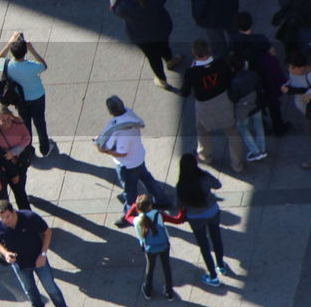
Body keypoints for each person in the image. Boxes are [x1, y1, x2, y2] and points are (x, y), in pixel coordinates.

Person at [0, 201, 81, 307]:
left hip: (38, 259)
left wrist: (43, 254)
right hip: (19, 264)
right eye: (2, 218)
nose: (5, 221)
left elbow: (47, 232)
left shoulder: (29, 217)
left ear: (13, 212)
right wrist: (5, 254)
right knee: (29, 289)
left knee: (51, 287)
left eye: (7, 216)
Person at [95, 96, 165, 226]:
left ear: (111, 112)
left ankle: (130, 213)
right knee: (147, 178)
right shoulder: (129, 114)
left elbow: (121, 152)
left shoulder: (119, 130)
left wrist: (104, 150)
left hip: (127, 165)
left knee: (130, 191)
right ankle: (161, 199)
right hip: (138, 156)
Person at [179, 39, 245, 173]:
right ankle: (237, 165)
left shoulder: (191, 72)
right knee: (233, 133)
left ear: (194, 53)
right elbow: (230, 76)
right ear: (209, 51)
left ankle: (206, 156)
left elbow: (184, 93)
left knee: (202, 130)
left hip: (204, 106)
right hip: (223, 101)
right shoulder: (221, 63)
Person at [172, 153, 231, 286]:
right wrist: (203, 172)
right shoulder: (204, 177)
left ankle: (213, 276)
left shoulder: (181, 186)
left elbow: (177, 205)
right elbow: (218, 184)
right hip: (212, 212)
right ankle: (221, 265)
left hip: (195, 218)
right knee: (216, 238)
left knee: (204, 246)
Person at [111, 0, 182, 87]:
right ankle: (170, 60)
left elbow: (115, 8)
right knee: (164, 46)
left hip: (141, 38)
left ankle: (162, 81)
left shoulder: (126, 7)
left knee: (153, 58)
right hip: (161, 30)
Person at [0, 30, 53, 156]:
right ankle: (45, 148)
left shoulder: (7, 65)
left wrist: (9, 43)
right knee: (40, 122)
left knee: (25, 124)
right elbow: (44, 65)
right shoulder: (31, 66)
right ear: (25, 51)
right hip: (37, 97)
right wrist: (32, 49)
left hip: (20, 100)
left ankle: (28, 149)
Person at [125, 194, 175, 300]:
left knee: (150, 268)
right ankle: (169, 292)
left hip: (149, 247)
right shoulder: (159, 214)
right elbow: (177, 220)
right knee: (166, 267)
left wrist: (134, 205)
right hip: (164, 245)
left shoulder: (137, 220)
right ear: (151, 205)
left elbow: (127, 217)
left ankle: (148, 291)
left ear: (139, 208)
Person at [0, 106, 33, 209]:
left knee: (20, 187)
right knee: (14, 191)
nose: (7, 122)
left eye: (8, 118)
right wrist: (1, 154)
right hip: (5, 166)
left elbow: (27, 138)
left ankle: (25, 212)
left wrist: (15, 151)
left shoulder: (18, 123)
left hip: (20, 161)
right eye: (3, 120)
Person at [229, 52, 268, 162]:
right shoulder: (253, 74)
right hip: (256, 104)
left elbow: (233, 98)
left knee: (243, 128)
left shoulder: (234, 82)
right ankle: (262, 149)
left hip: (243, 109)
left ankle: (255, 151)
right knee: (258, 125)